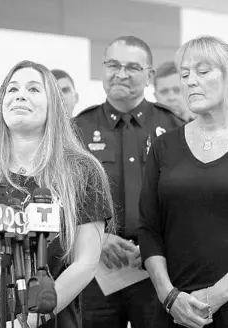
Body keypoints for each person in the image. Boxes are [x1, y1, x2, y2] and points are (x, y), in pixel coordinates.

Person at [0, 60, 115, 328]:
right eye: (12, 90)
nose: (20, 95)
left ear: (53, 105)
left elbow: (85, 263)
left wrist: (26, 324)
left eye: (34, 89)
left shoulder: (82, 171)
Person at [73, 35, 184, 328]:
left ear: (149, 76)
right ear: (102, 69)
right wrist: (98, 238)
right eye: (113, 65)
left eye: (132, 67)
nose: (120, 74)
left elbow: (184, 201)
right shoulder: (78, 129)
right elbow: (62, 196)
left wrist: (153, 246)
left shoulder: (174, 128)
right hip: (94, 269)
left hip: (157, 268)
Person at [139, 35, 228, 328]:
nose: (190, 81)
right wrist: (169, 296)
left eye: (203, 72)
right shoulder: (164, 147)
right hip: (172, 310)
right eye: (186, 74)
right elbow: (149, 229)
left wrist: (214, 297)